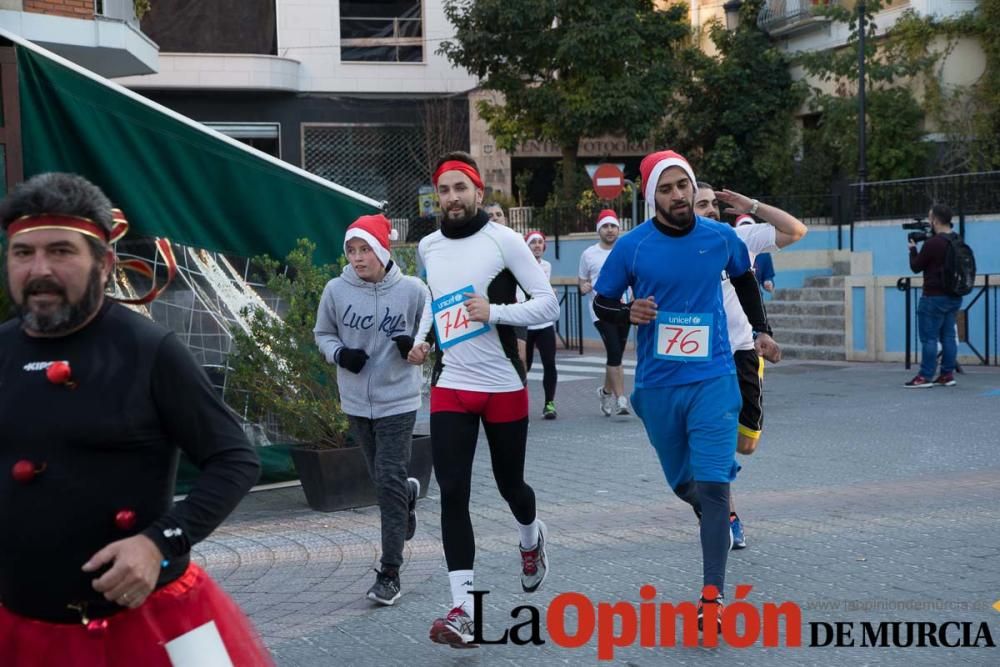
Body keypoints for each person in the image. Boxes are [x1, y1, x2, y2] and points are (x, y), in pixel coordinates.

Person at [0, 173, 271, 665]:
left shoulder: (151, 350)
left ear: (104, 263)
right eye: (23, 252)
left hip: (158, 622)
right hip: (18, 628)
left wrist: (157, 544)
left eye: (61, 251)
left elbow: (235, 460)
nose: (39, 269)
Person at [593, 151, 774, 631]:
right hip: (657, 386)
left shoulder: (720, 237)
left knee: (715, 487)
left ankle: (711, 598)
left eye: (684, 186)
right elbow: (602, 301)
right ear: (653, 195)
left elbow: (744, 278)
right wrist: (626, 313)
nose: (678, 195)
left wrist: (761, 329)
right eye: (668, 188)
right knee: (684, 484)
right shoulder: (632, 247)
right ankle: (711, 511)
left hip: (715, 379)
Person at [418, 152, 559, 647]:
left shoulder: (504, 240)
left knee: (510, 486)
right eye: (444, 189)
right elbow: (435, 303)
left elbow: (549, 303)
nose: (452, 197)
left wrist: (495, 312)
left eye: (461, 188)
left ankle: (530, 537)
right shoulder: (429, 245)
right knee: (453, 493)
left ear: (478, 192)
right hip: (451, 384)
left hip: (502, 385)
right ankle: (463, 610)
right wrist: (424, 338)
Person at [314, 213, 432, 606]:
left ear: (383, 249)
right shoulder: (335, 290)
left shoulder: (414, 291)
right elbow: (323, 333)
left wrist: (416, 351)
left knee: (385, 482)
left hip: (398, 400)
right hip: (355, 401)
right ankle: (406, 495)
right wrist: (340, 354)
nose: (358, 258)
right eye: (351, 250)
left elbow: (428, 340)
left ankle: (390, 573)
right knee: (383, 482)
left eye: (365, 249)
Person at [694, 182, 806, 549]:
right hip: (700, 357)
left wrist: (752, 204)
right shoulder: (675, 250)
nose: (709, 210)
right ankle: (725, 513)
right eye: (700, 205)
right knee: (716, 440)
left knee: (746, 444)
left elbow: (796, 230)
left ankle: (716, 475)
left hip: (744, 351)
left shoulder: (737, 238)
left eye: (712, 204)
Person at [578, 209, 631, 416]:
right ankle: (621, 399)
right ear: (599, 230)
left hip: (624, 308)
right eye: (605, 226)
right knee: (615, 353)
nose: (610, 230)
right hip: (600, 310)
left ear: (619, 229)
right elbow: (582, 280)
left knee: (615, 354)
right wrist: (583, 287)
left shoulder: (625, 249)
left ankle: (605, 391)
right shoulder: (589, 254)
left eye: (613, 226)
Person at [905, 203, 964, 388]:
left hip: (933, 297)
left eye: (930, 218)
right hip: (954, 296)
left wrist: (912, 249)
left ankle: (925, 376)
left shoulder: (932, 243)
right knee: (948, 337)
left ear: (936, 220)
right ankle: (947, 374)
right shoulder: (956, 239)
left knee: (929, 338)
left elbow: (915, 266)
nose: (929, 221)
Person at [523, 230, 559, 419]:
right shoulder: (519, 266)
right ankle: (520, 403)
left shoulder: (547, 266)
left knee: (549, 363)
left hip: (544, 322)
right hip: (526, 323)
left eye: (540, 242)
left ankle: (549, 403)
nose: (537, 245)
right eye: (533, 243)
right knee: (524, 365)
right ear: (526, 247)